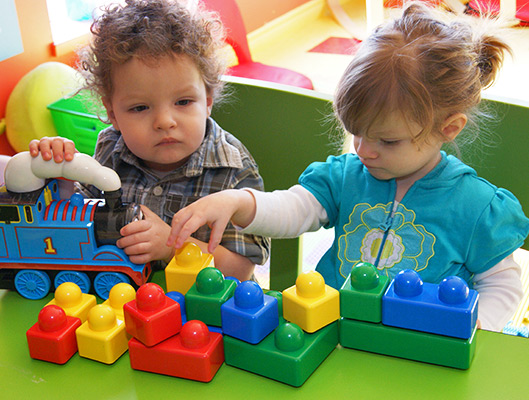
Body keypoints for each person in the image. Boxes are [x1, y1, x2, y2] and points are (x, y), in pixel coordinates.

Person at [167, 3, 529, 331]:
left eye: (387, 141)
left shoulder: (477, 206)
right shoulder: (345, 175)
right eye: (355, 132)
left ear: (448, 129)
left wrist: (480, 326)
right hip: (334, 334)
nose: (364, 151)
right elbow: (295, 209)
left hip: (421, 349)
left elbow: (501, 282)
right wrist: (239, 202)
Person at [29, 0, 270, 282]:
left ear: (207, 101)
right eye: (140, 108)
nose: (164, 121)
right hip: (120, 307)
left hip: (207, 316)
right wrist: (62, 177)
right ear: (112, 114)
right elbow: (83, 222)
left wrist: (172, 244)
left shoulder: (232, 167)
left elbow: (241, 270)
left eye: (183, 101)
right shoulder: (111, 147)